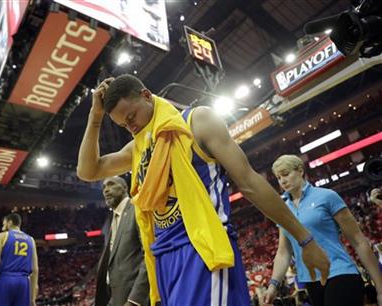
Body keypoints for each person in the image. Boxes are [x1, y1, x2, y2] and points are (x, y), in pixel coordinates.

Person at [77, 74, 330, 306]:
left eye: (131, 117)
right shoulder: (139, 147)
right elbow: (88, 170)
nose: (130, 127)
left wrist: (304, 239)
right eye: (123, 125)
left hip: (202, 249)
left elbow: (250, 183)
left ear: (145, 95)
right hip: (163, 259)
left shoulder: (197, 121)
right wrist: (94, 118)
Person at [264, 155, 382, 306]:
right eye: (278, 177)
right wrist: (273, 285)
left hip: (340, 273)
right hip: (311, 282)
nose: (282, 181)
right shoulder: (282, 209)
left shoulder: (327, 196)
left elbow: (358, 240)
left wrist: (380, 288)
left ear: (300, 171)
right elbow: (283, 252)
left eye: (286, 174)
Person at [95, 176, 149, 306]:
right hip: (113, 295)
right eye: (104, 187)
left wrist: (135, 300)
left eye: (111, 184)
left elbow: (148, 255)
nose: (106, 190)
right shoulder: (111, 219)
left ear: (125, 188)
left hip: (133, 298)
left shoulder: (137, 209)